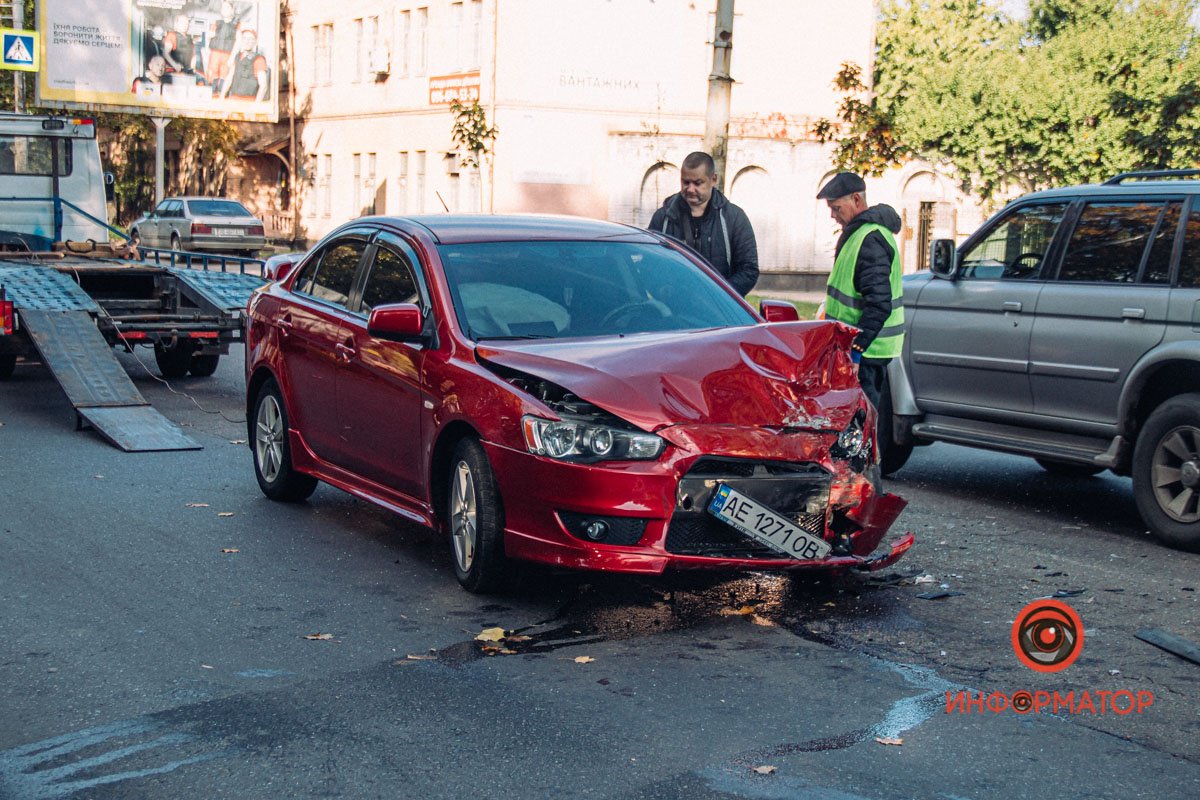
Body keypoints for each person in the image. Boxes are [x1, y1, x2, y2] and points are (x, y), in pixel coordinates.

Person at [816, 171, 904, 410]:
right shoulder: (860, 234)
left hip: (867, 352)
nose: (833, 216)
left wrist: (857, 350)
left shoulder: (870, 240)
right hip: (861, 349)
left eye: (836, 208)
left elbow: (879, 303)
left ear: (856, 199)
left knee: (866, 421)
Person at [648, 151, 758, 296]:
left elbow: (749, 270)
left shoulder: (734, 218)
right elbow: (650, 266)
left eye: (698, 183)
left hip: (721, 313)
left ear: (713, 180)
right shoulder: (662, 218)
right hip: (673, 311)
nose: (690, 189)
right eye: (686, 182)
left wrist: (719, 296)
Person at [221, 29, 270, 101]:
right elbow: (229, 78)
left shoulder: (259, 59)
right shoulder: (237, 57)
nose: (247, 41)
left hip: (249, 102)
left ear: (255, 42)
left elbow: (263, 86)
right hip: (233, 99)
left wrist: (256, 106)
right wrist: (221, 97)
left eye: (251, 39)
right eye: (245, 38)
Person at [207, 1, 240, 93]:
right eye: (223, 7)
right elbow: (209, 38)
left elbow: (238, 42)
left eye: (227, 7)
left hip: (228, 55)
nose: (225, 10)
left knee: (224, 77)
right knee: (212, 77)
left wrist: (232, 57)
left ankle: (222, 96)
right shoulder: (216, 23)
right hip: (214, 54)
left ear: (232, 10)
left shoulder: (237, 25)